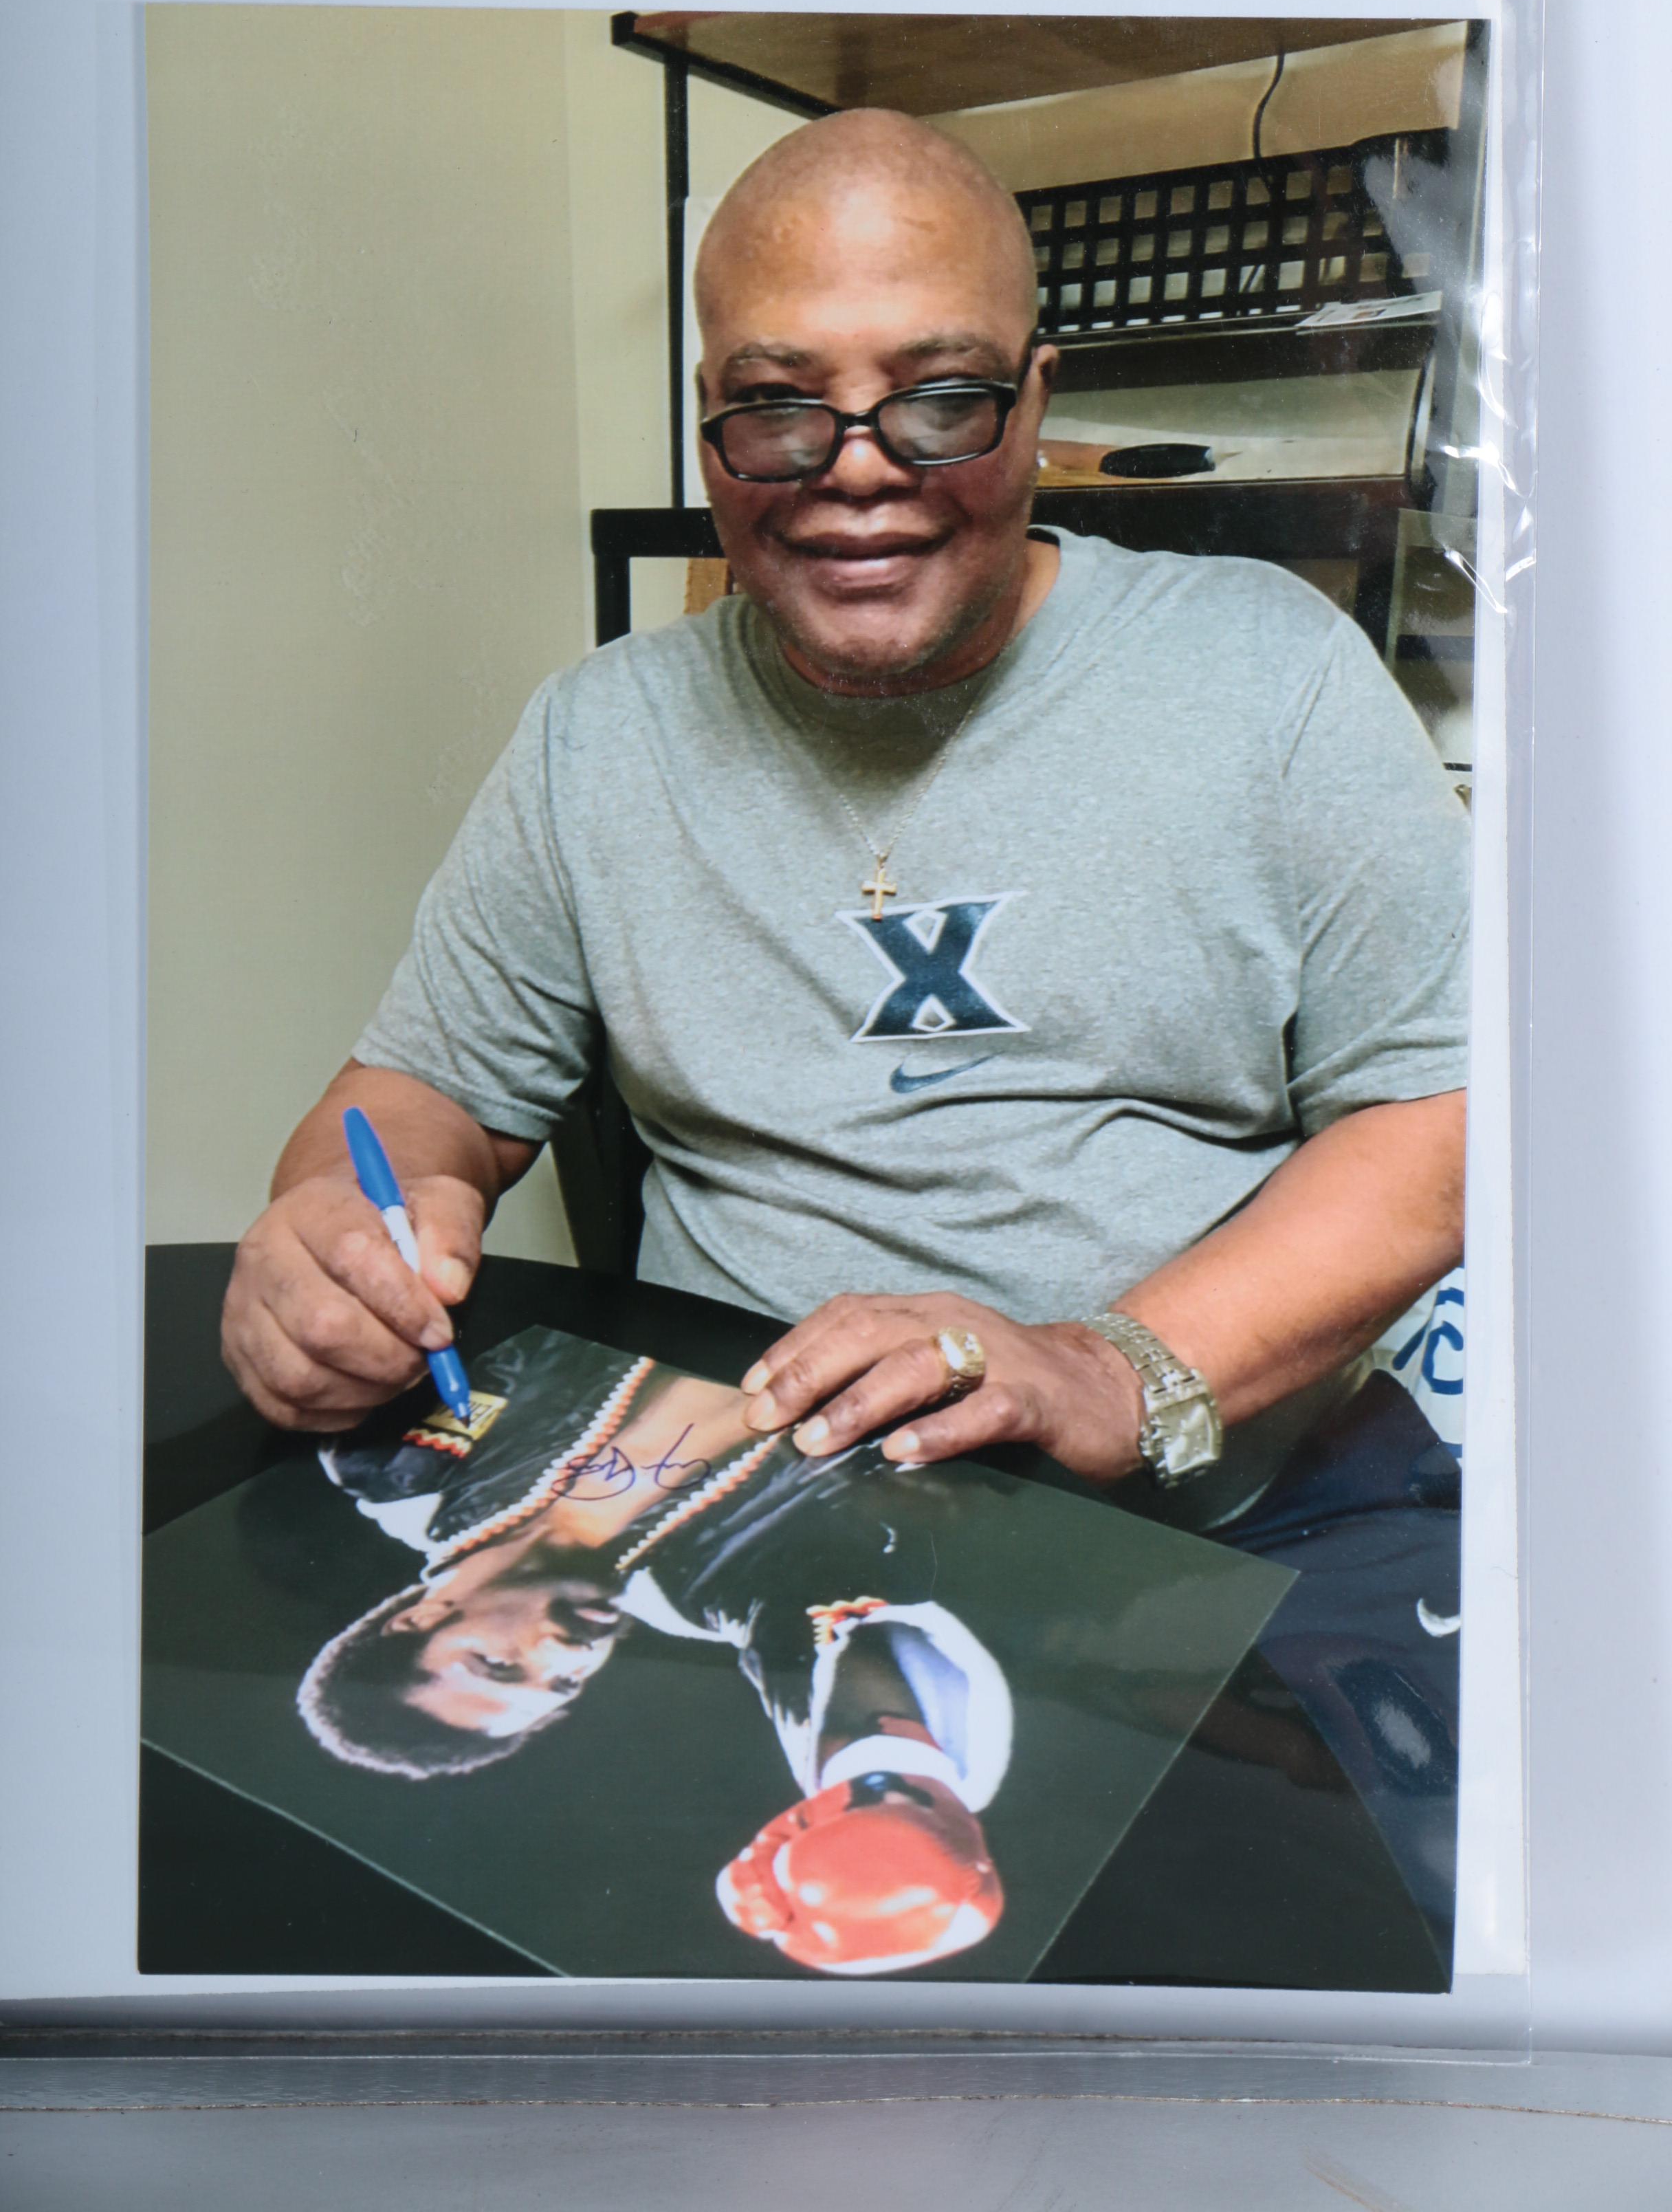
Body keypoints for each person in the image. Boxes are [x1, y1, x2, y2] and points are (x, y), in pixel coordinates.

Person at [223, 107, 1468, 1946]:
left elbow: (1447, 1116)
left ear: (1036, 401)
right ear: (713, 426)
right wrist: (338, 1232)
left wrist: (1111, 1366)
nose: (858, 472)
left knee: (1370, 1972)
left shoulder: (1271, 677)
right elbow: (421, 1099)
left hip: (1244, 1510)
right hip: (782, 1488)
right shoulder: (597, 738)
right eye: (780, 406)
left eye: (943, 397)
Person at [297, 1326, 1011, 1974]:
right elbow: (820, 1640)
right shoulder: (710, 1591)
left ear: (415, 1622)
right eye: (559, 1687)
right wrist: (892, 1791)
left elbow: (479, 1326)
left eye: (500, 1664)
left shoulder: (397, 1464)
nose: (564, 1657)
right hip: (945, 1325)